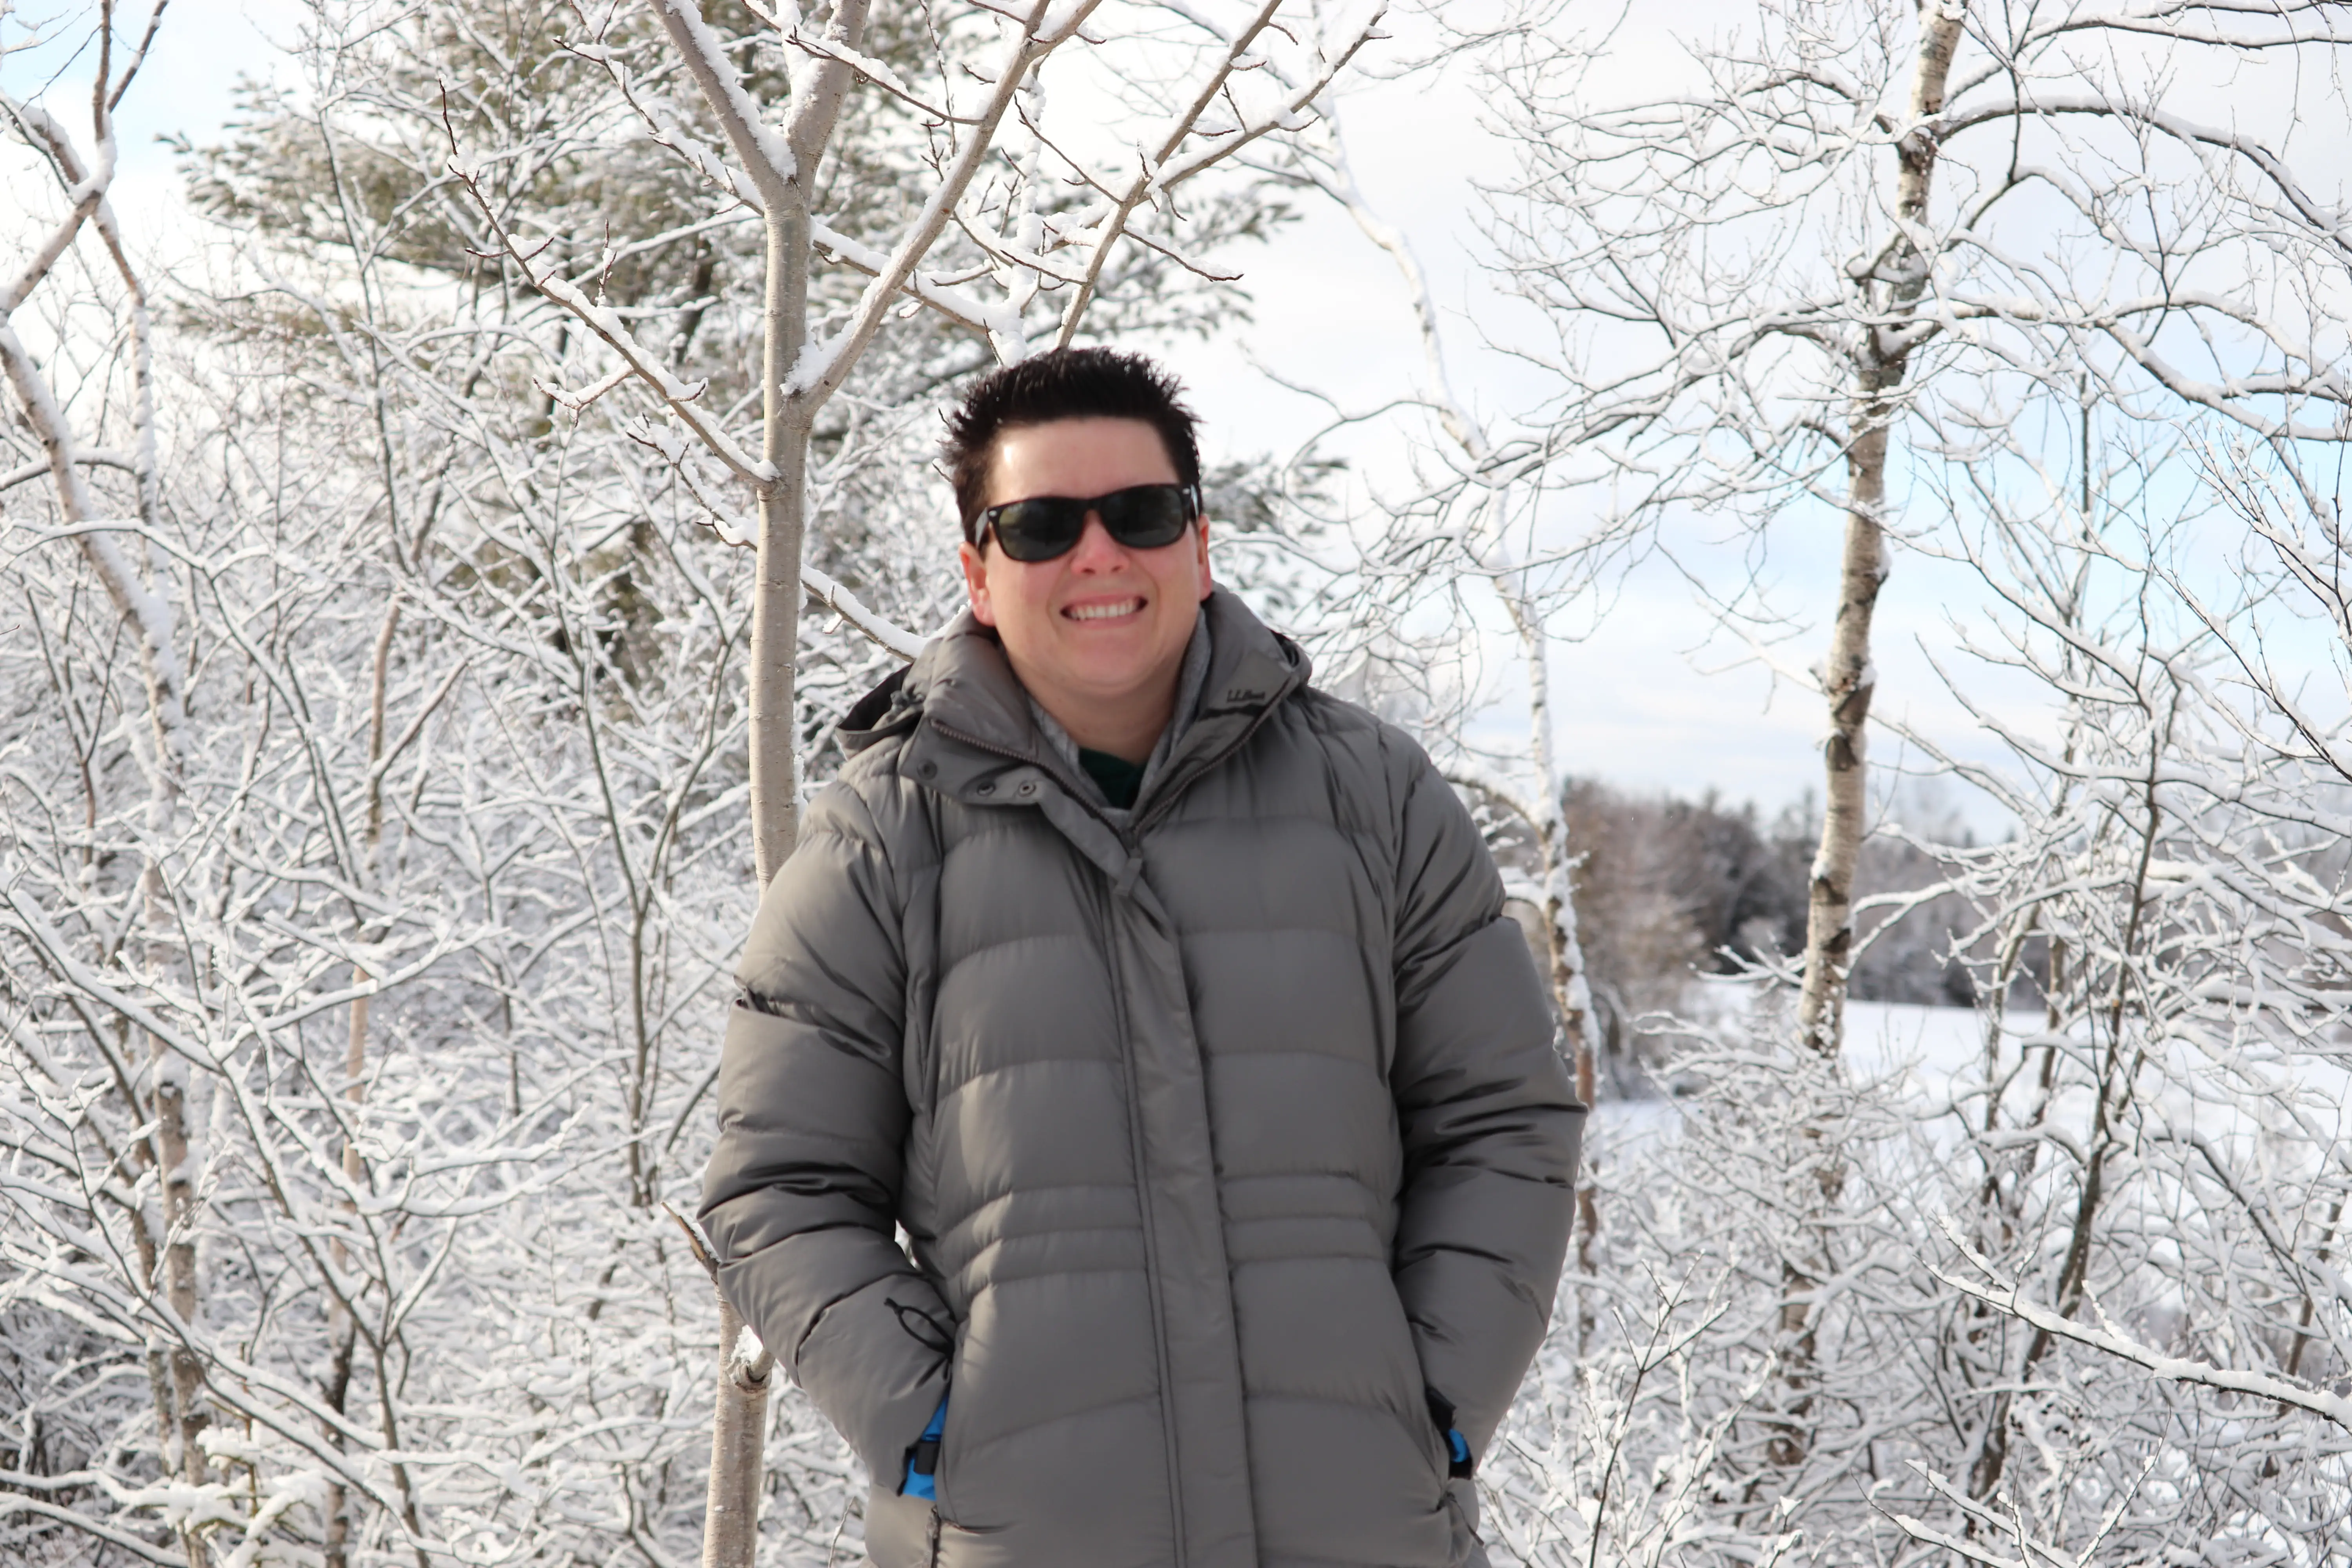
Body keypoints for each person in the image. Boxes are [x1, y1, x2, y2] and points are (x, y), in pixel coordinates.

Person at [700, 348, 1585, 1568]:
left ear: (1200, 543)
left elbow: (1503, 1121)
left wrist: (1433, 1405)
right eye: (1042, 526)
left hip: (1367, 1530)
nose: (1100, 555)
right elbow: (780, 1186)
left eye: (1142, 513)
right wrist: (936, 1435)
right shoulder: (883, 837)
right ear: (978, 572)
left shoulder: (1375, 797)